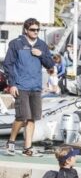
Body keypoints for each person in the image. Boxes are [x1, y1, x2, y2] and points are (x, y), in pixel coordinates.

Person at [3, 18, 54, 157]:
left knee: (32, 118)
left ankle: (28, 148)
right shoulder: (16, 44)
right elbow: (8, 64)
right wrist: (12, 84)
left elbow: (50, 64)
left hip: (36, 87)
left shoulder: (42, 45)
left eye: (37, 29)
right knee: (21, 117)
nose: (35, 32)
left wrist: (41, 55)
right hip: (21, 86)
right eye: (32, 29)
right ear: (26, 30)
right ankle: (11, 141)